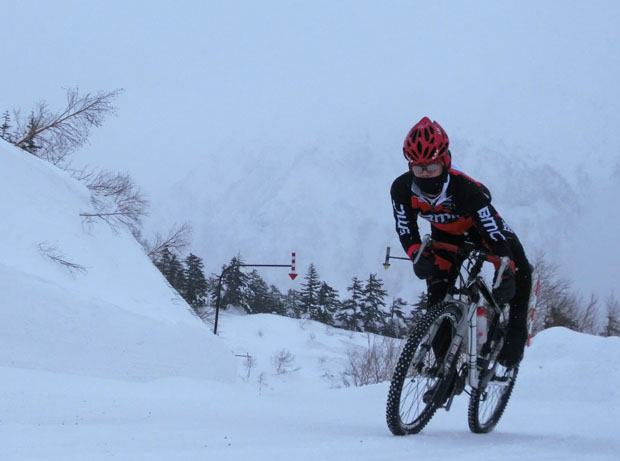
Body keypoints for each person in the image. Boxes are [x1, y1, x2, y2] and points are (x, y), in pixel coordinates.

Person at [390, 116, 532, 367]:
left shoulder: (465, 189)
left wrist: (506, 267)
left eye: (431, 168)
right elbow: (405, 227)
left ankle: (516, 329)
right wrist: (415, 253)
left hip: (484, 233)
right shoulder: (402, 189)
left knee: (518, 268)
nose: (425, 175)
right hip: (444, 237)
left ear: (445, 162)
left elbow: (493, 231)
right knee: (436, 302)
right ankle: (446, 373)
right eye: (418, 169)